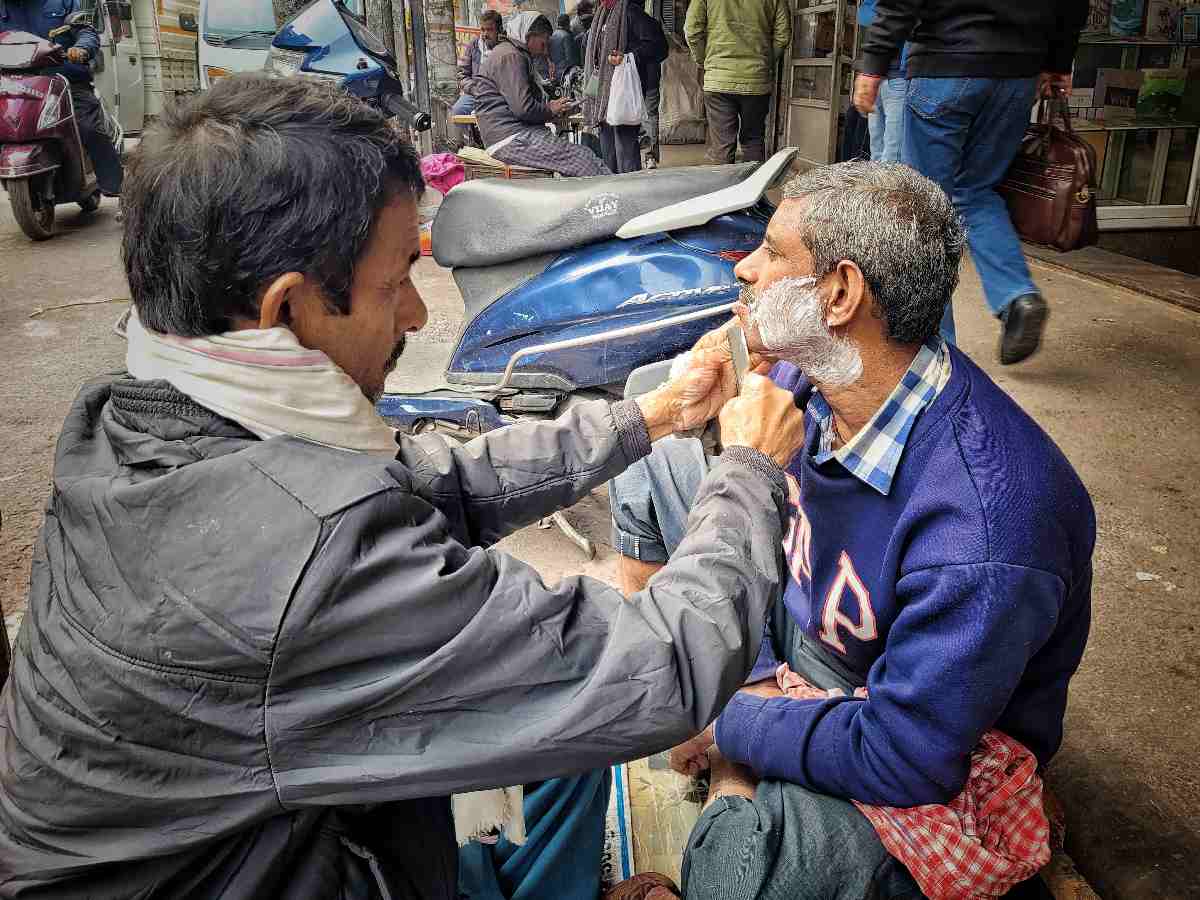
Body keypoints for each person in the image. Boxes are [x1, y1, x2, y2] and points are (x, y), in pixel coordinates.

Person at [0, 73, 809, 899]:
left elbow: (431, 483)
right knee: (570, 713)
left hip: (252, 828)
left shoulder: (141, 415)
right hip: (262, 869)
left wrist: (654, 417)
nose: (419, 318)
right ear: (288, 311)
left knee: (554, 751)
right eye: (394, 285)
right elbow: (651, 670)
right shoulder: (298, 556)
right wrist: (748, 473)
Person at [608, 161, 1095, 899]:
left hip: (896, 721)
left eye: (771, 253)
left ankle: (733, 773)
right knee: (654, 437)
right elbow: (744, 488)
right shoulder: (819, 376)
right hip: (811, 631)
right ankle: (734, 731)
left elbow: (907, 756)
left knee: (738, 883)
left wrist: (731, 727)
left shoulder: (989, 532)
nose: (745, 265)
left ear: (838, 294)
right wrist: (706, 379)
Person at [854, 0, 1089, 363]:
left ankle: (935, 349)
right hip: (1016, 75)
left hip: (946, 64)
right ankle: (1016, 295)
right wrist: (1058, 61)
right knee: (975, 191)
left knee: (925, 208)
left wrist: (874, 63)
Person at [0, 0, 122, 196]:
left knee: (89, 127)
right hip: (15, 88)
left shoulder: (62, 1)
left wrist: (82, 48)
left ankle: (119, 191)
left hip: (65, 82)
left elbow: (86, 31)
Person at [474, 11, 608, 176]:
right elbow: (523, 108)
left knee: (585, 154)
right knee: (582, 158)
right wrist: (550, 109)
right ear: (529, 36)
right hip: (510, 138)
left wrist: (551, 109)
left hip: (511, 133)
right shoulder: (511, 56)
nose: (545, 49)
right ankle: (611, 196)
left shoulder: (511, 52)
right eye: (543, 43)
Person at [684, 0, 791, 164]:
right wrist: (764, 63)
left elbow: (692, 31)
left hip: (719, 79)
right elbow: (782, 36)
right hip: (756, 81)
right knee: (753, 140)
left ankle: (726, 188)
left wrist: (705, 62)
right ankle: (754, 188)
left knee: (722, 147)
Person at [582, 0, 668, 174]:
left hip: (622, 94)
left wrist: (629, 57)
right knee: (609, 155)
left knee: (625, 150)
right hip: (603, 98)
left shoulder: (630, 12)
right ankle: (614, 193)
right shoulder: (602, 12)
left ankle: (629, 194)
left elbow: (659, 46)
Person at [857, 0, 907, 163]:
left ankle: (885, 188)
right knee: (878, 150)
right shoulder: (869, 7)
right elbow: (863, 16)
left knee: (891, 153)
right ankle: (878, 188)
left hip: (898, 77)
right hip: (879, 79)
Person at [451, 8, 502, 142]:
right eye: (483, 29)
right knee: (458, 110)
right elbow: (462, 74)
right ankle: (471, 142)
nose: (485, 34)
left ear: (499, 30)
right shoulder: (474, 45)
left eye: (489, 30)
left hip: (500, 94)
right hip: (476, 93)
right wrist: (474, 89)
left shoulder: (506, 47)